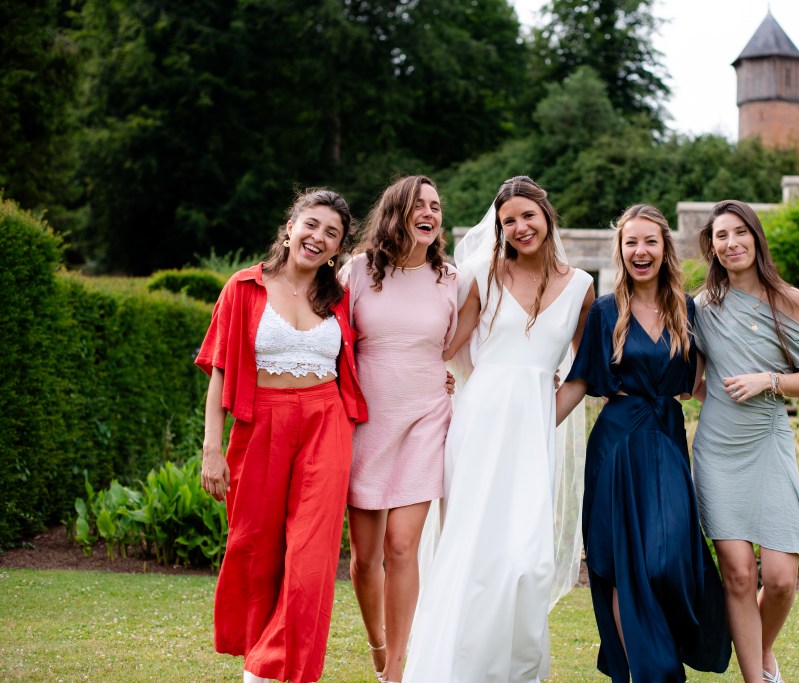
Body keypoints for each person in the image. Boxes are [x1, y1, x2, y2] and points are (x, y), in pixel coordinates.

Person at [404, 176, 594, 683]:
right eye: (509, 220)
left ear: (547, 215)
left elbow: (584, 372)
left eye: (528, 215)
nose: (520, 227)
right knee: (473, 550)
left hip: (534, 432)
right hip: (479, 425)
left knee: (528, 561)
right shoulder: (482, 275)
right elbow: (446, 346)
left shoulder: (581, 286)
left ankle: (515, 671)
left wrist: (543, 419)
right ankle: (456, 669)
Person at [554, 204, 731, 682]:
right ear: (621, 250)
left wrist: (760, 392)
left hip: (667, 441)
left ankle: (662, 658)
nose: (640, 250)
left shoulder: (687, 310)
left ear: (664, 248)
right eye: (631, 242)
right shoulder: (605, 311)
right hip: (617, 446)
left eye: (650, 241)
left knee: (667, 559)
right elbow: (579, 381)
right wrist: (527, 429)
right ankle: (644, 673)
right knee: (621, 564)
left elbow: (699, 384)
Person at [196, 188, 367, 683]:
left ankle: (269, 669)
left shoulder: (340, 298)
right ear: (290, 227)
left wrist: (440, 375)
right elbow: (220, 371)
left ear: (338, 249)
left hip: (325, 423)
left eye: (331, 233)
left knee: (312, 558)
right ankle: (261, 655)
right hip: (261, 425)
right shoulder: (243, 287)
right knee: (254, 548)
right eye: (311, 224)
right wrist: (212, 450)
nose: (318, 237)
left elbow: (381, 350)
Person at [690, 200, 799, 683]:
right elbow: (694, 382)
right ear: (712, 247)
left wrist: (768, 380)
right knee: (740, 574)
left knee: (782, 579)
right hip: (718, 451)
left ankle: (762, 652)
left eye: (739, 232)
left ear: (755, 237)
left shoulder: (790, 301)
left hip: (768, 443)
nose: (731, 243)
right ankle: (756, 678)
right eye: (721, 236)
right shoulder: (701, 308)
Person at [342, 175, 458, 683]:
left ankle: (395, 669)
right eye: (418, 205)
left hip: (426, 419)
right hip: (367, 424)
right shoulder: (357, 272)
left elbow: (466, 344)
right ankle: (377, 641)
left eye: (435, 205)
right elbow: (333, 341)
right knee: (365, 558)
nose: (429, 213)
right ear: (396, 212)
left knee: (402, 546)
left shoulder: (451, 279)